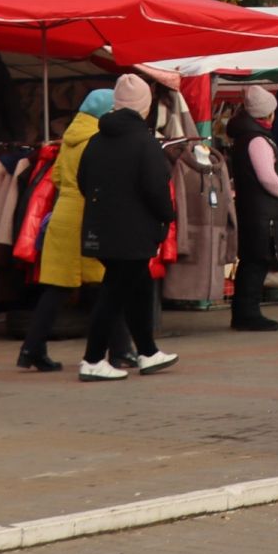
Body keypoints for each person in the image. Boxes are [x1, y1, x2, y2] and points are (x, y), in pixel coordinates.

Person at [17, 88, 133, 373]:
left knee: (58, 287)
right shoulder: (98, 139)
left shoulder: (70, 138)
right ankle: (120, 351)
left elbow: (56, 176)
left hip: (63, 216)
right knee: (106, 283)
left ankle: (31, 349)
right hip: (88, 217)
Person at [74, 75, 178, 381]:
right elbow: (157, 189)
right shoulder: (145, 142)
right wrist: (166, 216)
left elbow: (84, 181)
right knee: (115, 293)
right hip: (134, 231)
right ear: (144, 107)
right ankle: (92, 359)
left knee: (138, 287)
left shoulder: (96, 139)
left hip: (101, 227)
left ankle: (147, 352)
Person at [226, 84, 278, 331]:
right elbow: (266, 176)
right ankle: (248, 313)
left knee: (252, 261)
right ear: (267, 114)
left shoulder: (247, 136)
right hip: (261, 212)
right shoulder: (256, 140)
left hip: (252, 210)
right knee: (255, 263)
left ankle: (245, 311)